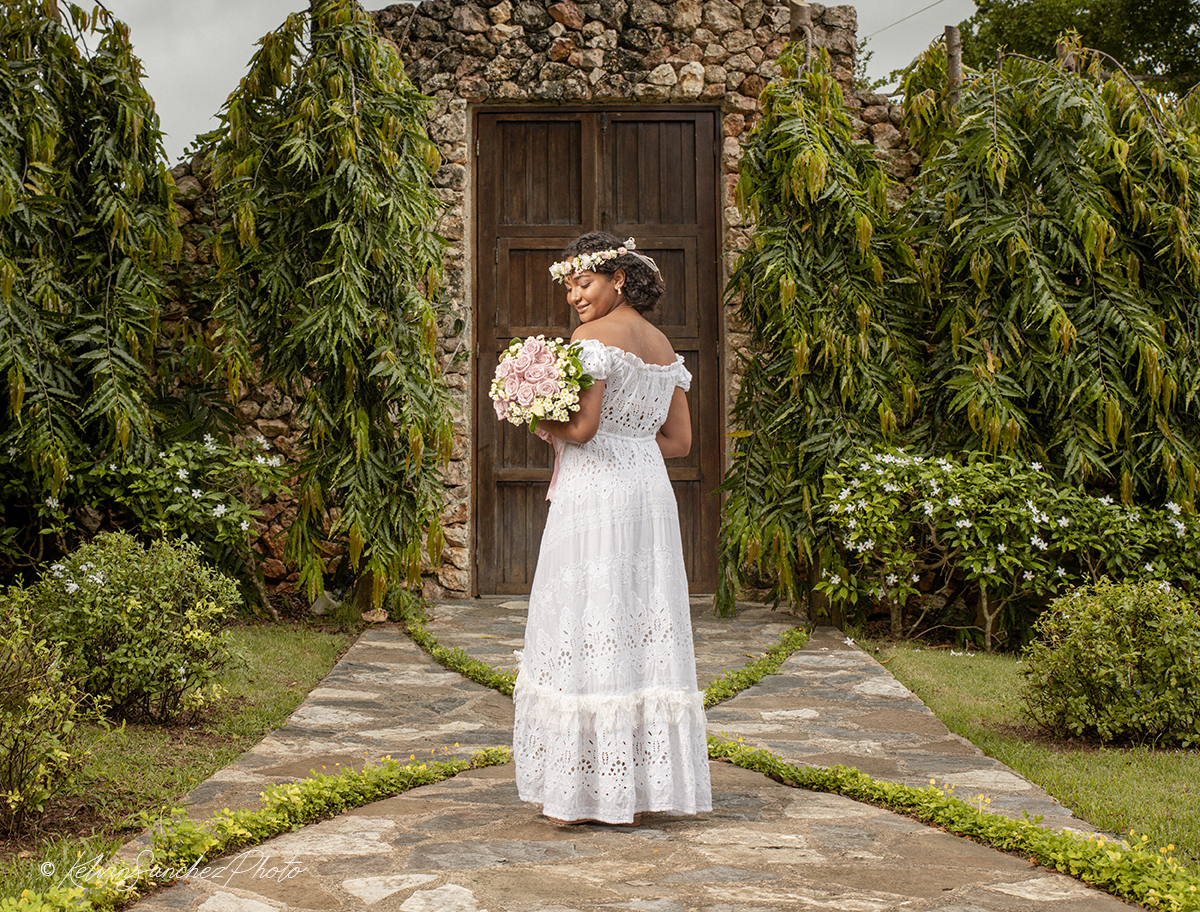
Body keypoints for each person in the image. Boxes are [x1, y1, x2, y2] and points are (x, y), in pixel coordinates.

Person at [511, 231, 712, 826]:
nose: (574, 296)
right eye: (569, 286)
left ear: (617, 279)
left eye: (584, 283)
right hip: (648, 489)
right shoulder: (662, 345)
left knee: (587, 612)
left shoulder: (592, 338)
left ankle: (580, 793)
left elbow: (584, 431)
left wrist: (537, 414)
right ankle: (643, 787)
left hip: (596, 491)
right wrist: (631, 440)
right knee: (640, 615)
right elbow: (679, 443)